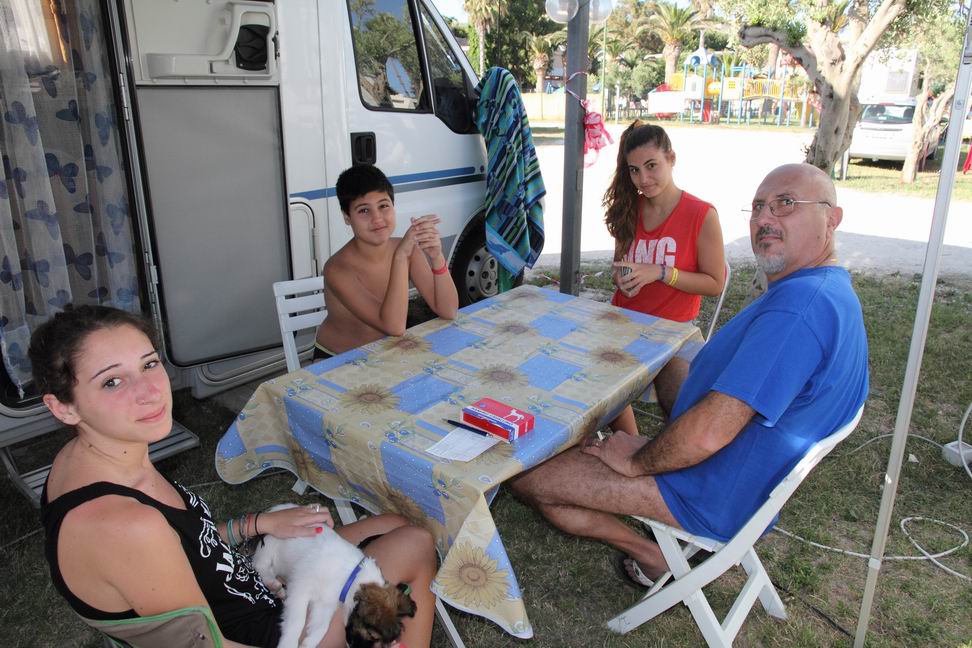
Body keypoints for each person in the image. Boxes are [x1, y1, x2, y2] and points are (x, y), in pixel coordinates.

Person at [511, 163, 868, 587]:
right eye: (758, 207)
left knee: (526, 472)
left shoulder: (800, 310)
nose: (764, 219)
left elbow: (709, 434)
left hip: (710, 491)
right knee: (664, 362)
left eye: (785, 204)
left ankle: (651, 555)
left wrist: (638, 461)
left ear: (831, 219)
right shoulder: (823, 289)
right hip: (734, 468)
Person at [33, 305, 436, 648]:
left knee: (393, 523)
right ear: (63, 407)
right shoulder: (125, 525)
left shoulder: (89, 459)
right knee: (415, 543)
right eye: (112, 381)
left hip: (253, 585)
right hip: (270, 631)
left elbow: (187, 544)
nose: (150, 391)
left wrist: (257, 524)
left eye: (149, 364)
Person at [603, 121, 725, 431]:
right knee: (600, 387)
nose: (643, 179)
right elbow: (620, 266)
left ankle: (671, 452)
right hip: (623, 323)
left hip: (674, 332)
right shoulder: (629, 208)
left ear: (671, 158)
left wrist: (660, 272)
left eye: (651, 165)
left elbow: (715, 283)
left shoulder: (701, 214)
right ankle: (629, 444)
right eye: (634, 170)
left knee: (681, 408)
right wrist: (622, 279)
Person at [314, 164, 459, 359]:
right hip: (337, 359)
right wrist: (400, 257)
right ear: (347, 217)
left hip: (385, 351)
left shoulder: (407, 250)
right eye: (364, 210)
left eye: (383, 206)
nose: (377, 218)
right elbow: (394, 326)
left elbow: (448, 310)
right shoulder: (337, 269)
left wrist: (437, 257)